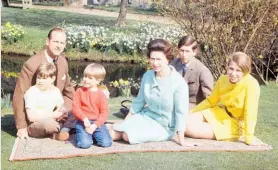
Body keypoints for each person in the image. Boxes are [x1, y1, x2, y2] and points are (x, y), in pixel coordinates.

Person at [109, 39, 189, 146]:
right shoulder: (147, 76)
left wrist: (181, 140)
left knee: (126, 136)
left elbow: (181, 112)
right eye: (152, 59)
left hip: (164, 127)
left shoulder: (179, 83)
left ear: (167, 59)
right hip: (145, 117)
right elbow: (139, 101)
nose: (155, 63)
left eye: (159, 59)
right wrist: (126, 123)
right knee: (113, 132)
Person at [185, 52, 266, 146]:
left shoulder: (251, 84)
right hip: (220, 112)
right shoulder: (223, 79)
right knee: (185, 120)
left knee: (188, 129)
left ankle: (215, 130)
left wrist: (249, 138)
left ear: (245, 72)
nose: (233, 73)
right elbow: (211, 101)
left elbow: (250, 112)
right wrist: (191, 111)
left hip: (235, 123)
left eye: (238, 70)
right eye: (231, 69)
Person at [13, 27, 75, 140]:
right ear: (47, 42)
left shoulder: (62, 61)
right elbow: (19, 95)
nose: (59, 46)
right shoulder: (32, 64)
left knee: (77, 110)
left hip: (55, 106)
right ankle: (60, 129)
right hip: (38, 115)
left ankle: (64, 126)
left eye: (62, 43)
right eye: (56, 42)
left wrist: (81, 105)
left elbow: (68, 89)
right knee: (49, 124)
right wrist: (21, 126)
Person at [24, 62, 69, 140]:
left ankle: (62, 130)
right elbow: (31, 117)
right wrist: (54, 115)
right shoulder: (31, 92)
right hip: (36, 124)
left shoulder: (55, 90)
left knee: (73, 114)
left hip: (52, 120)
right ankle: (58, 133)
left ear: (52, 79)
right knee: (49, 124)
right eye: (38, 78)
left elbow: (61, 107)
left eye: (44, 78)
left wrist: (62, 111)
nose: (40, 81)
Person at [72, 63, 112, 149]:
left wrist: (95, 125)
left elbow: (104, 113)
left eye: (90, 78)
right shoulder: (79, 91)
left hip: (96, 123)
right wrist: (84, 118)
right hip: (83, 122)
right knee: (85, 144)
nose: (86, 80)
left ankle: (93, 134)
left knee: (106, 143)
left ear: (98, 80)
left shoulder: (101, 94)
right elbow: (75, 108)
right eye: (85, 76)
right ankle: (81, 136)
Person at [171, 35, 214, 109]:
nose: (184, 55)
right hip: (172, 103)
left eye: (187, 51)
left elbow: (209, 98)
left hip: (192, 106)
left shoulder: (202, 70)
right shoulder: (173, 64)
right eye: (182, 50)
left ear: (194, 52)